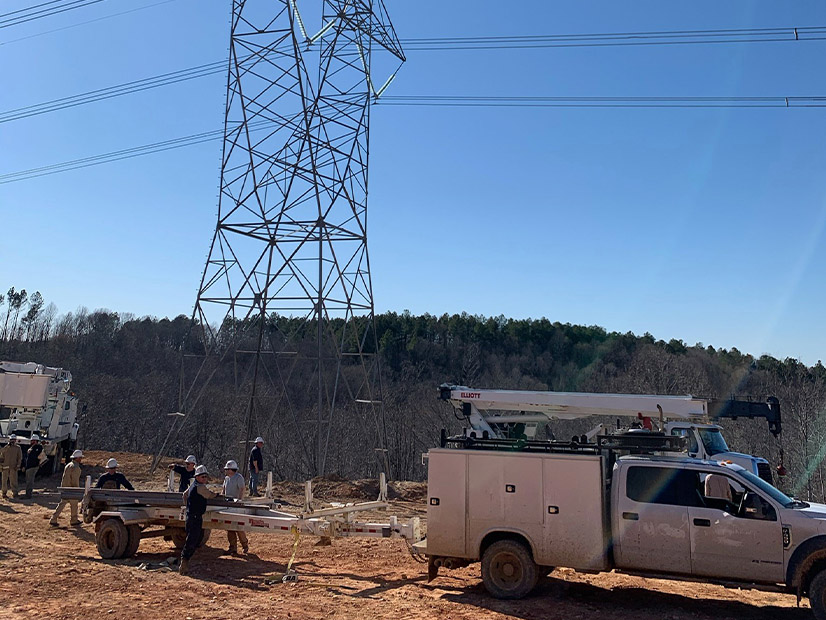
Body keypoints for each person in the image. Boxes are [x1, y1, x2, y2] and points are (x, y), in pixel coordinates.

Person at [180, 464, 220, 575]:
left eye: (205, 477)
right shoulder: (200, 487)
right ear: (197, 477)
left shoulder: (193, 485)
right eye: (202, 477)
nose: (205, 479)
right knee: (192, 540)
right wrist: (217, 495)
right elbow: (209, 495)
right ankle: (184, 562)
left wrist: (188, 506)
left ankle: (186, 561)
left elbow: (184, 495)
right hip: (195, 517)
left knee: (193, 539)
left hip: (190, 516)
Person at [50, 450, 84, 526]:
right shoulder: (76, 468)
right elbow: (75, 480)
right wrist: (77, 490)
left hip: (65, 488)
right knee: (74, 504)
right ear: (77, 458)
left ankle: (53, 518)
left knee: (62, 503)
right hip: (72, 489)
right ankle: (74, 520)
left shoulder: (68, 465)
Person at [222, 460, 248, 554]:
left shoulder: (238, 477)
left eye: (227, 469)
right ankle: (232, 548)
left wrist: (239, 500)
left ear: (231, 469)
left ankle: (245, 545)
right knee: (230, 527)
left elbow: (242, 488)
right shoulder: (226, 478)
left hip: (236, 505)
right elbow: (224, 490)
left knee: (238, 527)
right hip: (228, 505)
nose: (225, 471)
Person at [0, 435, 23, 499]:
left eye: (13, 440)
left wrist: (18, 465)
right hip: (5, 467)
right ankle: (4, 493)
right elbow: (2, 456)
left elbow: (19, 457)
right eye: (11, 440)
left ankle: (15, 493)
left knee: (14, 481)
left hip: (13, 467)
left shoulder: (18, 448)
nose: (12, 441)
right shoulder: (6, 447)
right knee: (4, 481)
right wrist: (1, 465)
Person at [23, 434, 43, 498]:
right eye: (32, 440)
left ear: (37, 441)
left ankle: (28, 495)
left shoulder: (38, 447)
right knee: (28, 481)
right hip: (29, 467)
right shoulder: (31, 448)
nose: (33, 442)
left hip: (33, 466)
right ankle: (28, 493)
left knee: (30, 481)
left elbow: (35, 456)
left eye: (34, 441)